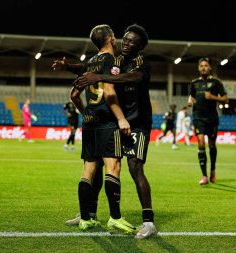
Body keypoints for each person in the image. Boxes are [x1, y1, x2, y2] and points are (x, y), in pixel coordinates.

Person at [71, 24, 157, 239]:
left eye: (132, 42)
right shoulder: (115, 60)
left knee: (134, 166)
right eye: (125, 39)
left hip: (137, 123)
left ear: (140, 46)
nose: (126, 43)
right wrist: (68, 67)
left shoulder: (142, 64)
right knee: (100, 163)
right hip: (118, 121)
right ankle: (89, 213)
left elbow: (132, 78)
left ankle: (148, 222)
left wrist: (99, 78)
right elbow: (91, 68)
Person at [188, 57, 229, 185]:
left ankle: (212, 169)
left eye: (206, 66)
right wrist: (190, 100)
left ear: (210, 68)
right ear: (198, 68)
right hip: (198, 117)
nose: (204, 68)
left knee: (211, 145)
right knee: (200, 143)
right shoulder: (194, 83)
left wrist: (212, 97)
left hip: (211, 118)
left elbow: (225, 99)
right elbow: (193, 95)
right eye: (201, 66)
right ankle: (204, 175)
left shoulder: (216, 82)